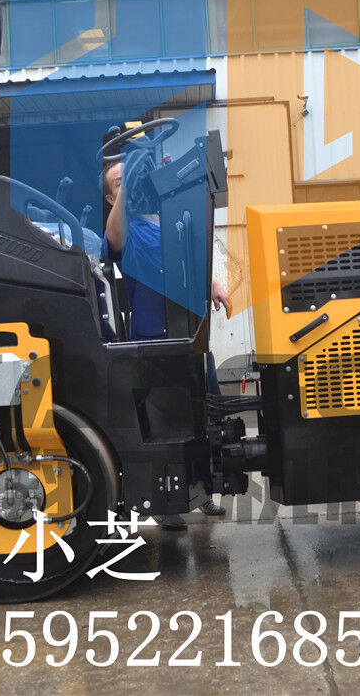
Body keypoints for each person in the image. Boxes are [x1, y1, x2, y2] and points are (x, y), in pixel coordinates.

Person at [102, 159, 229, 529]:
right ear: (111, 197)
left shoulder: (167, 220)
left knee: (204, 414)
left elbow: (187, 263)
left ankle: (202, 491)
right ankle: (165, 503)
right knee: (166, 421)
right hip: (155, 339)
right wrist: (130, 180)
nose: (130, 181)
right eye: (118, 181)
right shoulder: (126, 228)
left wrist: (212, 284)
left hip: (191, 335)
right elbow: (113, 238)